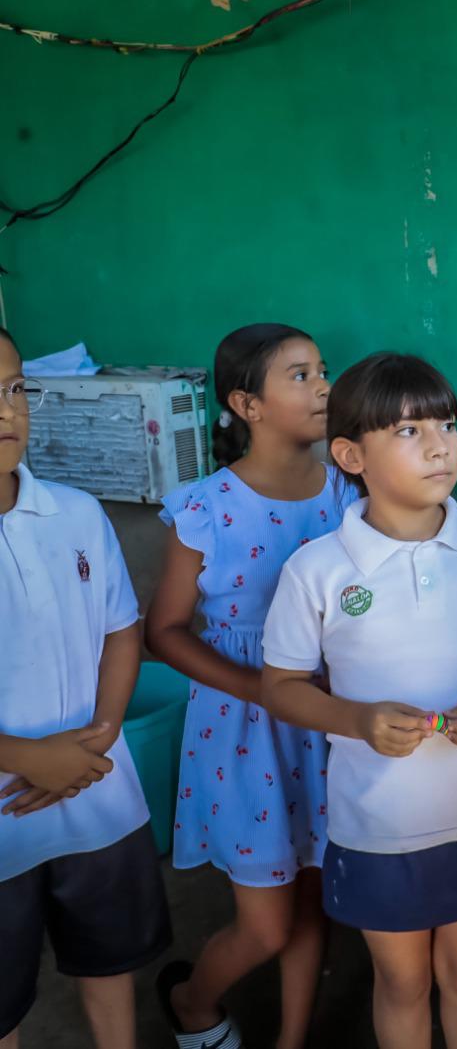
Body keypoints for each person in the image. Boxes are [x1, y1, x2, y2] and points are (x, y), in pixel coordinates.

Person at [262, 353, 457, 1049]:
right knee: (401, 984)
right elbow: (281, 686)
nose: (438, 446)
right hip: (380, 824)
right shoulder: (318, 570)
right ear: (349, 454)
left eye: (447, 425)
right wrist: (357, 720)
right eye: (407, 431)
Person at [145, 324, 354, 1049]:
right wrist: (262, 688)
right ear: (246, 403)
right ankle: (193, 1003)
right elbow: (164, 631)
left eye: (323, 370)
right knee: (265, 924)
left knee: (313, 895)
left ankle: (290, 1040)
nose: (324, 385)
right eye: (300, 375)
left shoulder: (349, 490)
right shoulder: (206, 506)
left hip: (330, 714)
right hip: (244, 725)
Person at [0, 326, 172, 1049]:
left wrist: (100, 735)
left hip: (99, 792)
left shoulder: (74, 513)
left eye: (13, 389)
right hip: (8, 809)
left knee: (110, 964)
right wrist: (25, 755)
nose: (7, 413)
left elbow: (121, 629)